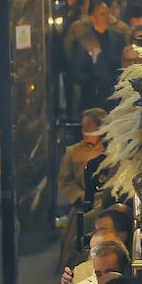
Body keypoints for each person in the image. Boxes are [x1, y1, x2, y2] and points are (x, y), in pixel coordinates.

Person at [58, 108, 108, 268]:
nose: (85, 132)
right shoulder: (73, 151)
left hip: (105, 206)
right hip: (82, 206)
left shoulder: (112, 151)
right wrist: (80, 195)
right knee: (75, 248)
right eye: (83, 128)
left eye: (89, 127)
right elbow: (65, 180)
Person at [69, 0, 127, 110]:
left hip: (114, 98)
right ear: (92, 18)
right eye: (102, 14)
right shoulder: (83, 42)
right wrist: (92, 79)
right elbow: (75, 74)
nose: (107, 18)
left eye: (107, 13)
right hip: (93, 99)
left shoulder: (118, 38)